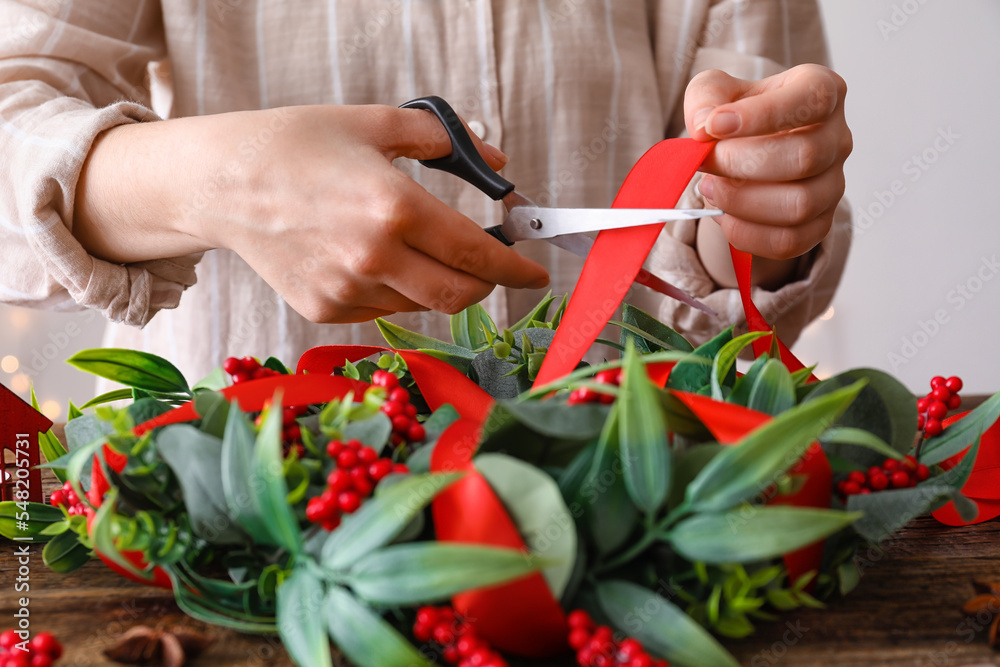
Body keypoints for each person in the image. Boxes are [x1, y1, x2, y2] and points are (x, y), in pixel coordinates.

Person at [0, 1, 851, 383]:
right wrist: (229, 179)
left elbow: (727, 222)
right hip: (244, 492)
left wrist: (757, 205)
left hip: (620, 499)